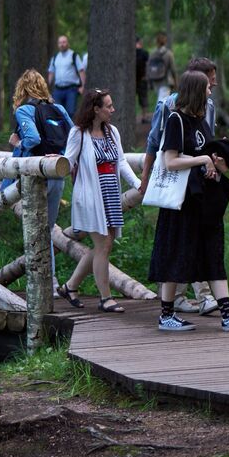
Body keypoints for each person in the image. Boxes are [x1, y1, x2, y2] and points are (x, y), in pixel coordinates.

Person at [151, 70, 229, 332]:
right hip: (182, 202)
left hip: (203, 201)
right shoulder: (176, 120)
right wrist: (202, 160)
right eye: (207, 88)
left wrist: (217, 162)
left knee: (213, 253)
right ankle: (166, 315)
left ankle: (228, 314)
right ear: (196, 91)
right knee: (177, 254)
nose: (211, 91)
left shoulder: (201, 121)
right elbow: (170, 160)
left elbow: (204, 152)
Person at [140, 56, 219, 316]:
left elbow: (204, 141)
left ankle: (207, 299)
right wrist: (145, 176)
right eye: (210, 79)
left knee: (198, 242)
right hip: (177, 188)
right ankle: (172, 305)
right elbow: (158, 145)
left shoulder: (208, 106)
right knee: (176, 245)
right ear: (196, 82)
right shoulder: (170, 109)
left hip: (200, 188)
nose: (214, 84)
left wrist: (214, 158)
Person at [58, 89, 141, 313]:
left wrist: (138, 184)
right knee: (103, 243)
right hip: (90, 195)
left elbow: (121, 162)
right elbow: (69, 159)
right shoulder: (79, 133)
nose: (112, 110)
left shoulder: (112, 132)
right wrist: (54, 161)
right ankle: (106, 298)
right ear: (96, 109)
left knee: (104, 244)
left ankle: (70, 286)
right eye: (108, 106)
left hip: (110, 193)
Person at [7, 69, 71, 287]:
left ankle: (40, 283)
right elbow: (73, 135)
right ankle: (50, 283)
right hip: (57, 173)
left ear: (22, 89)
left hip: (36, 175)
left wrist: (18, 144)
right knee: (47, 229)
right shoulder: (58, 108)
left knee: (36, 229)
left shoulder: (24, 110)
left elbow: (32, 138)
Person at [47, 34, 87, 117]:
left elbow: (81, 71)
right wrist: (46, 88)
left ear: (68, 43)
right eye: (60, 42)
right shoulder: (55, 57)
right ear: (58, 45)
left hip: (71, 89)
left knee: (70, 112)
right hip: (58, 90)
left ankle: (70, 129)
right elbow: (51, 72)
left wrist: (82, 87)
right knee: (56, 111)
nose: (62, 44)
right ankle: (60, 129)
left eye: (64, 42)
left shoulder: (74, 55)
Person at [147, 32, 178, 101]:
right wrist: (176, 82)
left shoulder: (152, 53)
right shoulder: (168, 53)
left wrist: (149, 83)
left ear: (156, 42)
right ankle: (160, 112)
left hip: (155, 80)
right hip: (165, 81)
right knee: (162, 102)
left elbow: (148, 69)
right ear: (165, 42)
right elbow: (173, 69)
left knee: (161, 100)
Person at [134, 37, 149, 110]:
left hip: (132, 80)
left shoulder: (130, 53)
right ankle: (144, 116)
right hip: (142, 79)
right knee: (143, 97)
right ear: (140, 42)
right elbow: (147, 65)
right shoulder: (144, 53)